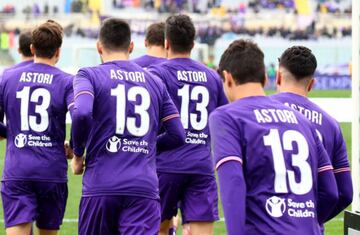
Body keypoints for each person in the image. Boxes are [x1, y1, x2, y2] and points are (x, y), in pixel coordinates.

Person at [209, 39, 339, 235]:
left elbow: (233, 184)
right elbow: (331, 192)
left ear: (227, 78)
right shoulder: (302, 120)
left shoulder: (226, 116)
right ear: (265, 79)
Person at [70, 18, 185, 235]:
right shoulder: (154, 82)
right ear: (131, 46)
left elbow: (82, 112)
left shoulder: (89, 74)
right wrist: (146, 144)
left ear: (98, 47)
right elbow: (178, 134)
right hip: (143, 187)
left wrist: (77, 155)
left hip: (101, 185)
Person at [148, 14, 228, 235]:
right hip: (201, 165)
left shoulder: (156, 74)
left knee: (159, 229)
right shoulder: (212, 77)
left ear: (166, 43)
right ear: (193, 45)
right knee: (200, 230)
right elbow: (222, 121)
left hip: (164, 165)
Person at [0, 20, 73, 235]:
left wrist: (12, 134)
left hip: (18, 169)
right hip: (52, 169)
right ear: (59, 50)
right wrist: (75, 148)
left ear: (32, 48)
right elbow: (81, 116)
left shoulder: (8, 77)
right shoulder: (68, 81)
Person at [271, 46, 353, 226]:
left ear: (277, 77)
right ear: (312, 84)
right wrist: (312, 220)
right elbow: (345, 193)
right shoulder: (331, 125)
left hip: (267, 224)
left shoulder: (257, 113)